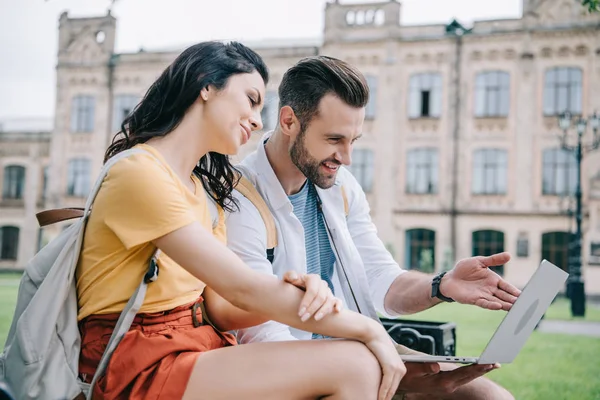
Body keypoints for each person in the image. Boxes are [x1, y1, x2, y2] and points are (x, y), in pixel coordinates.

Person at [76, 41, 407, 400]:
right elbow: (242, 287)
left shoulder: (203, 192)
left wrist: (294, 289)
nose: (257, 119)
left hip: (197, 344)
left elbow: (224, 307)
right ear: (205, 86)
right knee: (354, 362)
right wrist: (367, 330)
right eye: (251, 99)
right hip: (137, 361)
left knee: (354, 362)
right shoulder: (139, 171)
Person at [225, 55, 520, 399]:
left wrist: (442, 285)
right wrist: (377, 363)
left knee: (492, 397)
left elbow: (383, 283)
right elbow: (263, 336)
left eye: (354, 140)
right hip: (301, 369)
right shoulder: (240, 199)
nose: (346, 157)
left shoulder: (341, 185)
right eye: (335, 139)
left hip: (368, 348)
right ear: (289, 120)